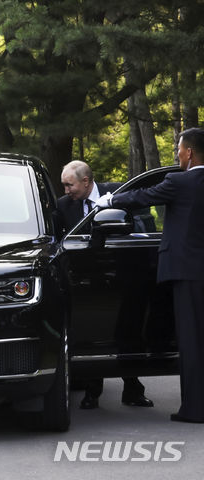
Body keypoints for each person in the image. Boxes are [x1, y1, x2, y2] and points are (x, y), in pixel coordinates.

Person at [96, 127, 204, 423]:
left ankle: (195, 410)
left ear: (190, 152)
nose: (177, 154)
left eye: (179, 149)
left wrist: (110, 201)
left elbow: (144, 196)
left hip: (188, 272)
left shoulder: (180, 182)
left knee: (192, 342)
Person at [57, 160, 154, 410]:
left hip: (126, 273)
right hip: (87, 277)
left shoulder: (119, 193)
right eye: (64, 185)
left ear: (86, 181)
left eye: (70, 185)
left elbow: (144, 225)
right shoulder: (63, 206)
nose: (67, 190)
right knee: (91, 329)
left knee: (128, 329)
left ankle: (132, 388)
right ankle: (92, 392)